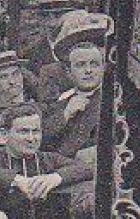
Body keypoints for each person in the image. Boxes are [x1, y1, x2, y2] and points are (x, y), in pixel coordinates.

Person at [42, 12, 110, 158]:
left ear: (103, 67)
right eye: (80, 65)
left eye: (94, 64)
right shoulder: (61, 103)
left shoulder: (111, 100)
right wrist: (66, 114)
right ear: (69, 72)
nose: (88, 71)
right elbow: (43, 143)